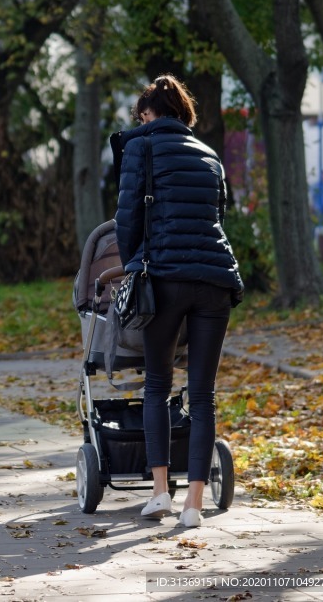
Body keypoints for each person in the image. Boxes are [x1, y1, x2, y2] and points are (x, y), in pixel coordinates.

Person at [114, 75, 244, 529]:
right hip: (215, 279)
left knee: (156, 384)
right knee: (203, 393)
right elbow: (219, 216)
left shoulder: (139, 147)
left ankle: (160, 495)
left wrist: (135, 267)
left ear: (148, 115)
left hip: (164, 278)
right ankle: (194, 505)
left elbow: (127, 218)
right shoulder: (209, 155)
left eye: (141, 116)